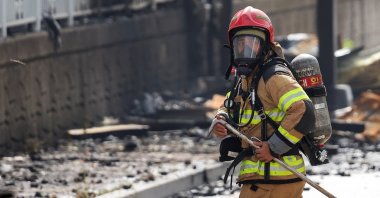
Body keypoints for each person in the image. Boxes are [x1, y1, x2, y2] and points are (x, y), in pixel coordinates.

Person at [211, 6, 316, 198]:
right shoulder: (247, 79)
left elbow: (304, 110)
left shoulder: (273, 77)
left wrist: (274, 147)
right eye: (240, 44)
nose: (245, 50)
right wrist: (222, 118)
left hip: (274, 179)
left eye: (252, 43)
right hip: (267, 178)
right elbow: (231, 103)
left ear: (265, 45)